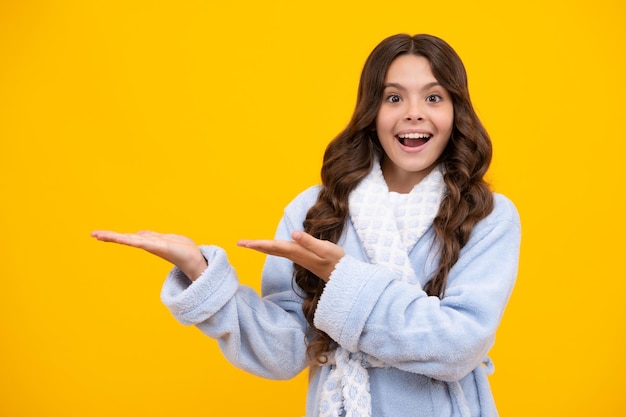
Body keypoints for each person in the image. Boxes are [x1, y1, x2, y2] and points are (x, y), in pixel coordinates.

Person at [91, 33, 521, 417]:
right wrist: (200, 273)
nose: (413, 113)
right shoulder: (318, 208)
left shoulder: (487, 215)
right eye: (393, 98)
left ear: (455, 110)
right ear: (371, 110)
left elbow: (459, 344)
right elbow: (284, 351)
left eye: (433, 97)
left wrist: (342, 279)